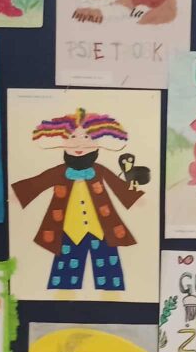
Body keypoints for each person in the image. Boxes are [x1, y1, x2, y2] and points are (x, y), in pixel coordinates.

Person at [12, 108, 144, 291]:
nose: (79, 143)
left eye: (87, 137)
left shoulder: (100, 171)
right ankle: (63, 295)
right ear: (64, 143)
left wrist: (135, 198)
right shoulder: (59, 171)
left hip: (101, 228)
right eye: (73, 137)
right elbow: (38, 182)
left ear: (97, 144)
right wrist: (18, 195)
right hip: (68, 229)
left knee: (109, 268)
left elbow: (117, 185)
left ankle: (111, 294)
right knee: (65, 270)